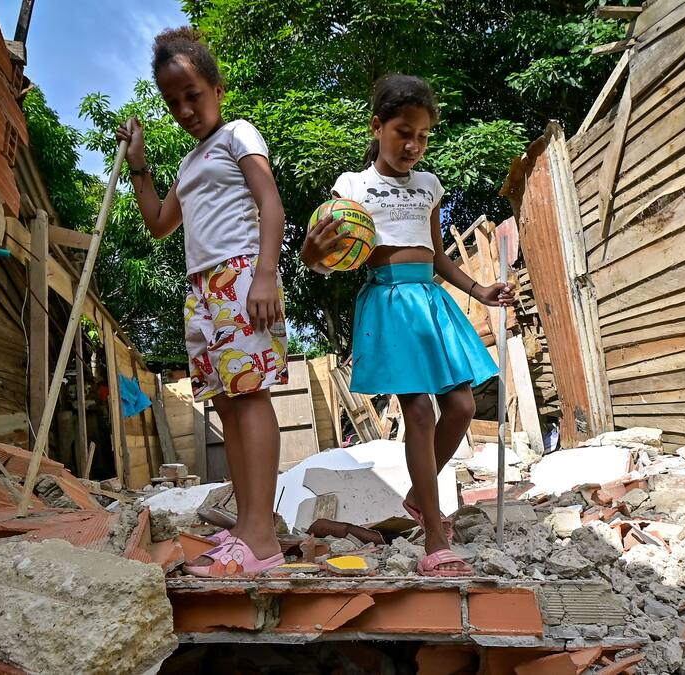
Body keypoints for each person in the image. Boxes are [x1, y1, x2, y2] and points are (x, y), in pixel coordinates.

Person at [301, 74, 514, 576]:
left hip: (430, 302)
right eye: (403, 132)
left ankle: (418, 497)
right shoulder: (352, 187)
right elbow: (330, 255)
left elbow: (437, 255)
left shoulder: (429, 187)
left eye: (422, 136)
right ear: (377, 127)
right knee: (417, 411)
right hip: (389, 302)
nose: (413, 145)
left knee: (462, 406)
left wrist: (479, 290)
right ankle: (435, 537)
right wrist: (313, 258)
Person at [117, 27, 287, 577]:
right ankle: (247, 526)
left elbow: (270, 203)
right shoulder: (189, 164)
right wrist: (139, 163)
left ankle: (260, 537)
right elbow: (158, 222)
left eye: (192, 95)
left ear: (217, 88)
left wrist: (266, 275)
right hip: (201, 290)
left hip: (241, 275)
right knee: (227, 405)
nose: (185, 110)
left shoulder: (238, 133)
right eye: (173, 102)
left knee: (251, 397)